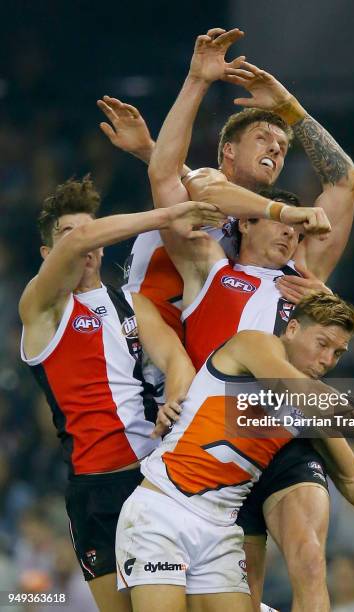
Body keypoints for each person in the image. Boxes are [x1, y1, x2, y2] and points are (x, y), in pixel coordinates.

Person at [99, 28, 354, 611]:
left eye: (282, 143)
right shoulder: (211, 260)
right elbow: (172, 181)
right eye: (263, 138)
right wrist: (196, 85)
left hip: (284, 425)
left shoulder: (300, 274)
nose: (292, 230)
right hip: (213, 431)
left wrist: (288, 108)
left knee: (308, 558)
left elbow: (345, 180)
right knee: (240, 588)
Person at [115, 292, 354, 612]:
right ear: (293, 329)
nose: (327, 359)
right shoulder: (254, 345)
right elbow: (294, 388)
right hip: (162, 512)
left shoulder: (315, 405)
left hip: (220, 532)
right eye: (322, 343)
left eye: (338, 352)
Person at [18, 176, 223, 612]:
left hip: (151, 477)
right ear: (46, 255)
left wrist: (176, 398)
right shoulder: (41, 307)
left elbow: (176, 361)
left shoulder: (132, 304)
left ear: (104, 246)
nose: (81, 242)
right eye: (65, 236)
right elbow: (82, 241)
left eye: (87, 232)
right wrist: (169, 215)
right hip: (95, 491)